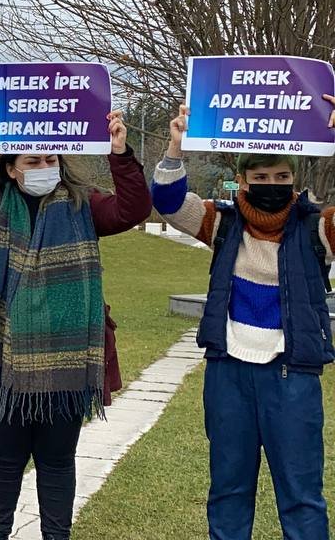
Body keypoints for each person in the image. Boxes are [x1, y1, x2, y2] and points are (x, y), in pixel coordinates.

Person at [0, 111, 148, 540]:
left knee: (56, 463)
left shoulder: (84, 204)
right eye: (33, 162)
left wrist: (120, 153)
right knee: (3, 462)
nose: (44, 168)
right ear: (12, 170)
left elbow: (133, 209)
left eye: (51, 160)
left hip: (66, 360)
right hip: (1, 358)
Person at [153, 105, 333, 540]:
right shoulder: (222, 221)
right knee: (229, 492)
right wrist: (176, 146)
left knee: (302, 495)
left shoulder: (317, 228)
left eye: (281, 177)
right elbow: (169, 203)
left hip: (292, 374)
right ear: (244, 179)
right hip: (228, 371)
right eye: (260, 178)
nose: (271, 185)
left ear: (294, 179)